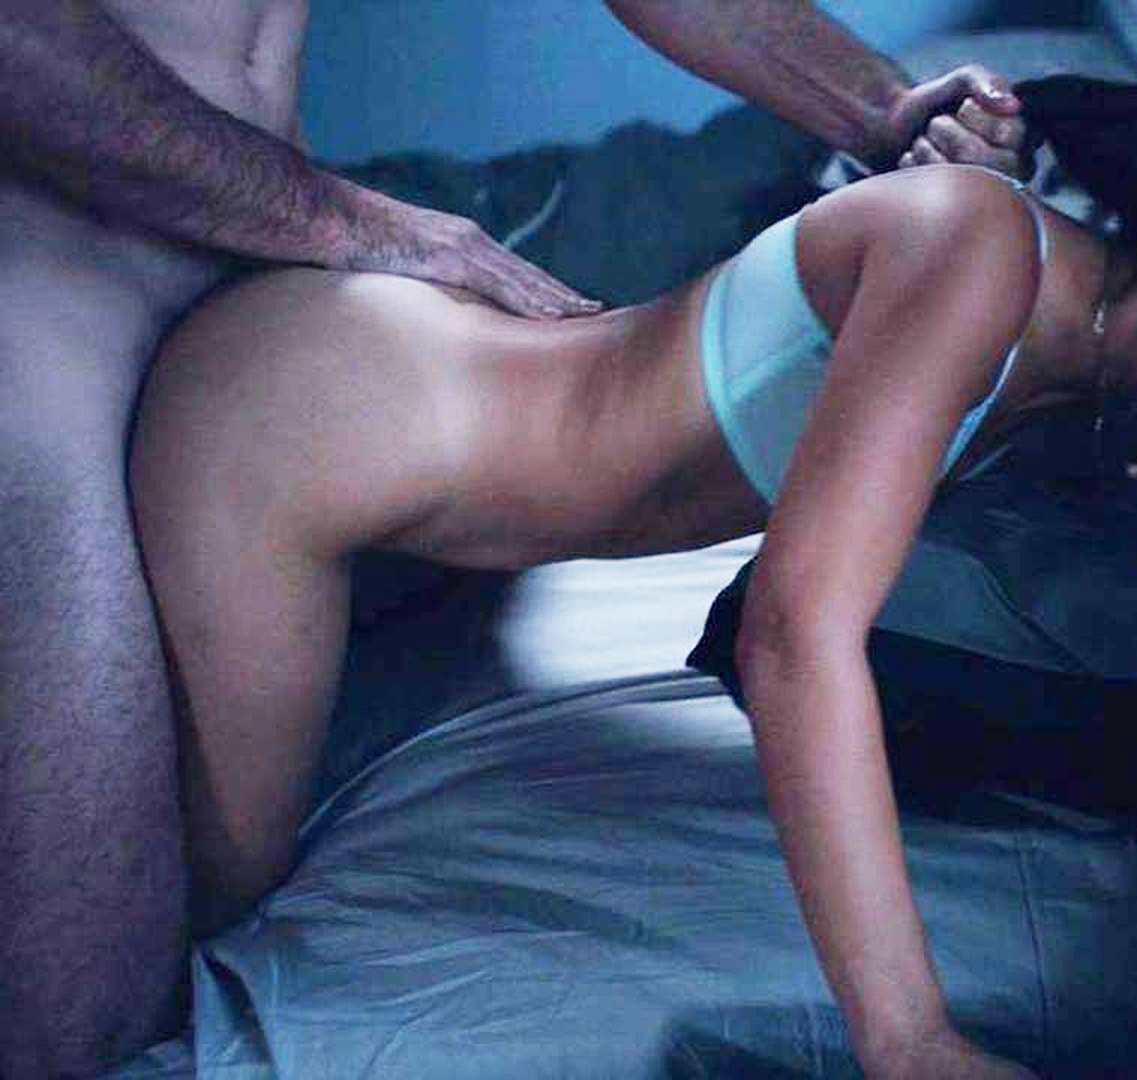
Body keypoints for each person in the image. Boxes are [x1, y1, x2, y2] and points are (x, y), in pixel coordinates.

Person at [130, 73, 1137, 1078]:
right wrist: (910, 1040)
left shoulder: (1080, 391)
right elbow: (793, 636)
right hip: (298, 428)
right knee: (185, 946)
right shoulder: (982, 252)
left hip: (416, 486)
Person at [0, 1, 1026, 1074]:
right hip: (55, 311)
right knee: (87, 1019)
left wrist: (881, 107)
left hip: (255, 250)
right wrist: (348, 221)